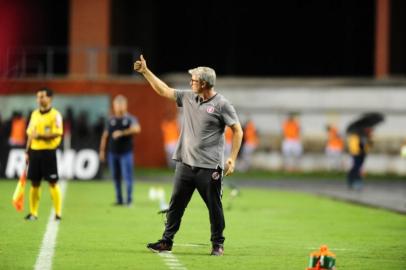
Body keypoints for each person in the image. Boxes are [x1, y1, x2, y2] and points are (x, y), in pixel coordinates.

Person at [134, 55, 243, 256]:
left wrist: (232, 159)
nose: (190, 82)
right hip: (185, 163)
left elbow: (238, 130)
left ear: (203, 83)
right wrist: (145, 72)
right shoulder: (189, 97)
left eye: (193, 79)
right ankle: (167, 241)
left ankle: (217, 244)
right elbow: (164, 90)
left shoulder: (222, 105)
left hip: (209, 167)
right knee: (175, 205)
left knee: (214, 207)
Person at [24, 87, 63, 221]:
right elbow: (30, 134)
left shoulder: (55, 115)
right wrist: (27, 151)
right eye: (38, 96)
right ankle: (33, 213)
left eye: (42, 96)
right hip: (34, 152)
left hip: (48, 152)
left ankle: (58, 213)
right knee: (34, 183)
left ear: (49, 98)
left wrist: (40, 136)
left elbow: (58, 132)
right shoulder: (34, 114)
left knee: (52, 182)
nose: (39, 99)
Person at [99, 95, 141, 206]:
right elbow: (105, 136)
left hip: (126, 153)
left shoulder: (130, 118)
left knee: (127, 176)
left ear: (125, 105)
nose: (119, 107)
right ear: (114, 106)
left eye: (121, 104)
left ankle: (129, 200)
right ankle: (119, 199)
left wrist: (122, 133)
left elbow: (137, 129)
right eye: (117, 104)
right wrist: (102, 151)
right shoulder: (111, 119)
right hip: (112, 153)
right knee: (116, 176)